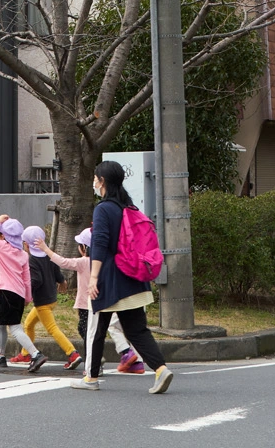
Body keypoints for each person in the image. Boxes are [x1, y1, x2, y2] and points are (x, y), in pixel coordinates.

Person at [75, 160, 173, 393]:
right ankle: (161, 369)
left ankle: (90, 378)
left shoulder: (103, 209)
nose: (93, 182)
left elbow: (100, 244)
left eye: (95, 178)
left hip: (109, 280)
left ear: (102, 181)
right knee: (137, 330)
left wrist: (93, 278)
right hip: (133, 276)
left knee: (96, 330)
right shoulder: (128, 207)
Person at [50, 230, 144, 374]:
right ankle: (135, 362)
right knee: (129, 329)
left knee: (90, 334)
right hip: (110, 301)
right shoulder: (105, 262)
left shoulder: (83, 262)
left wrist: (46, 250)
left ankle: (98, 363)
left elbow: (64, 262)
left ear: (84, 248)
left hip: (87, 304)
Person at [22, 225, 83, 371]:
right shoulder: (49, 255)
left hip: (42, 302)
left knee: (52, 329)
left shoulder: (32, 261)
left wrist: (27, 295)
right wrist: (62, 281)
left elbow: (36, 281)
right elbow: (57, 271)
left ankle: (72, 353)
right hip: (51, 299)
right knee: (28, 324)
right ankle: (25, 354)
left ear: (27, 245)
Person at [0, 215, 38, 369]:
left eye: (0, 234)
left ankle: (35, 354)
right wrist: (28, 297)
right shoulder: (23, 254)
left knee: (15, 328)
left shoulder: (1, 247)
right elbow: (27, 279)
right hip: (19, 294)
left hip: (6, 292)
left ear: (3, 236)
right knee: (0, 323)